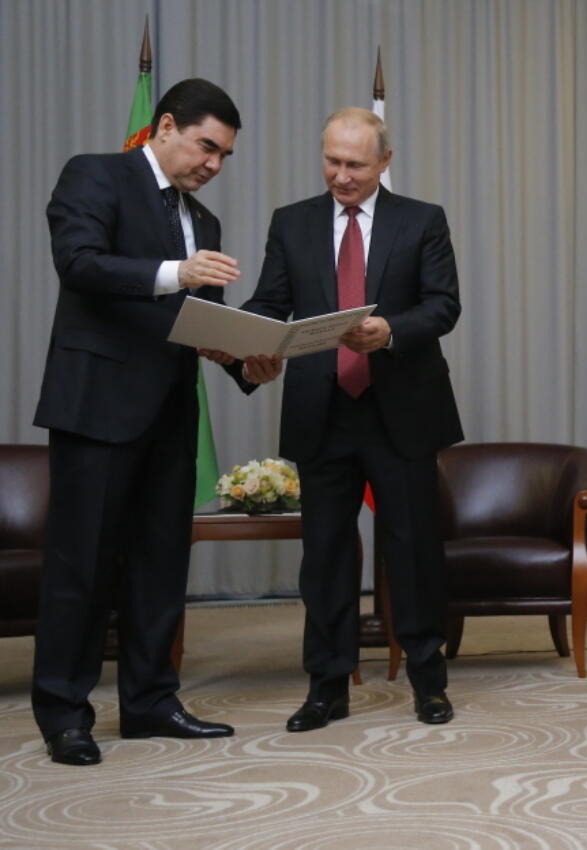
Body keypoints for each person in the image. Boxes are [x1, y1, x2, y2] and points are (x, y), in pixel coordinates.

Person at [32, 78, 267, 766]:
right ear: (164, 127)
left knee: (161, 565)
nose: (214, 165)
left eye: (225, 156)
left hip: (171, 416)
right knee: (82, 566)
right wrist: (176, 272)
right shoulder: (94, 175)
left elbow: (204, 324)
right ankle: (64, 714)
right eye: (206, 147)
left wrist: (245, 362)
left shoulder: (206, 224)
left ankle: (150, 703)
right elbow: (77, 264)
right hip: (97, 408)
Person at [235, 107, 463, 731]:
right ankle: (326, 687)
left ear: (384, 162)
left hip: (402, 411)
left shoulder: (422, 220)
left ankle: (428, 679)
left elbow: (444, 306)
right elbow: (268, 302)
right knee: (326, 557)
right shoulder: (292, 223)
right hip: (323, 412)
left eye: (355, 164)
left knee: (412, 551)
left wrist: (390, 330)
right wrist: (248, 340)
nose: (341, 175)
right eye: (331, 161)